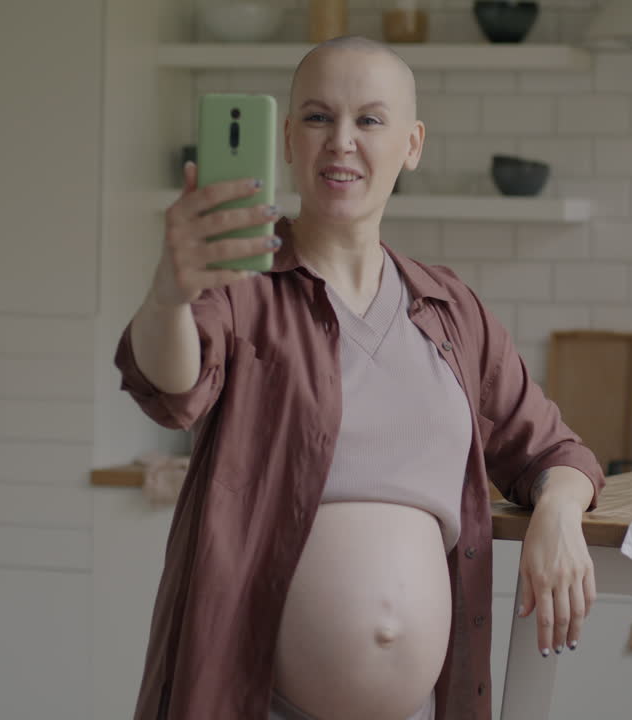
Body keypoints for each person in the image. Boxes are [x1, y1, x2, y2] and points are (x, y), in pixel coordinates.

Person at [114, 35, 605, 720]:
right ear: (288, 139)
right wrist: (169, 293)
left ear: (412, 144)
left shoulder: (451, 310)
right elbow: (170, 385)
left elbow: (555, 453)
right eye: (318, 117)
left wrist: (557, 512)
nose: (341, 141)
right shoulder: (240, 288)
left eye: (369, 120)